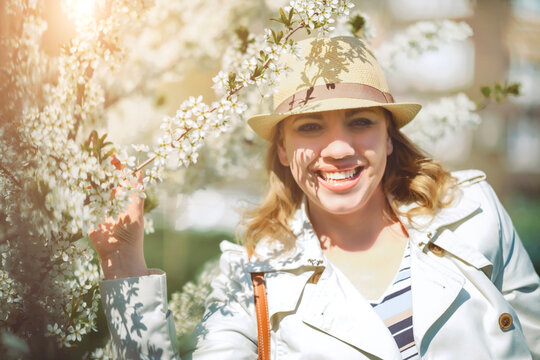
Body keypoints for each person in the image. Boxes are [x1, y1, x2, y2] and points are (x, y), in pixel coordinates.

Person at [90, 36, 540, 359]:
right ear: (282, 149)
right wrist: (125, 263)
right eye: (310, 127)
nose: (339, 148)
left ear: (389, 138)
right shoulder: (251, 280)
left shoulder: (473, 213)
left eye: (360, 121)